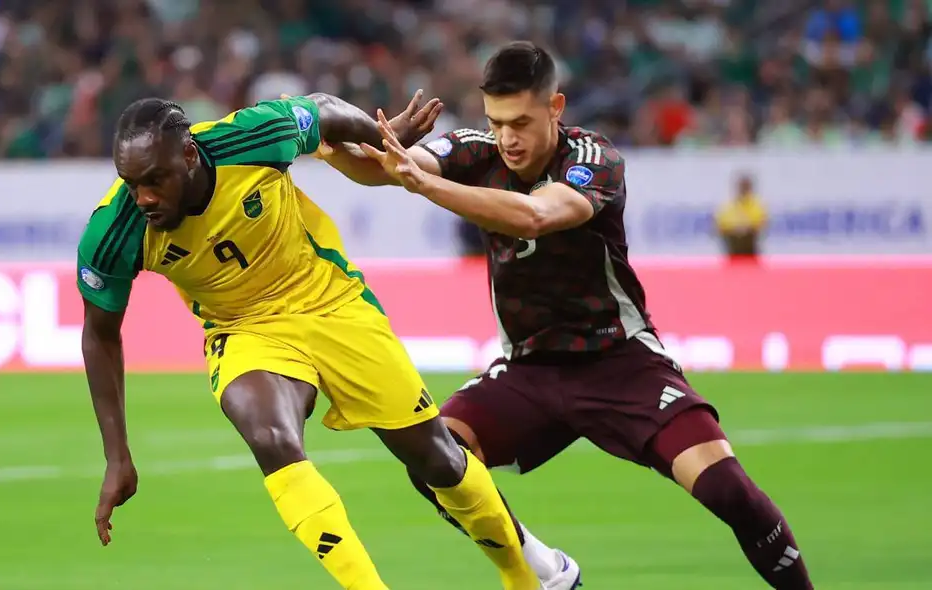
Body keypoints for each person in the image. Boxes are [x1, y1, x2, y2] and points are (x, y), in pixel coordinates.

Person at [316, 41, 815, 590]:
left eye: (522, 122)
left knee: (728, 491)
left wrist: (425, 182)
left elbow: (536, 215)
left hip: (620, 363)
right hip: (529, 371)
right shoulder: (479, 150)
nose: (507, 137)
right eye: (496, 121)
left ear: (555, 108)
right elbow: (379, 170)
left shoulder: (593, 159)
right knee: (435, 457)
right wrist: (330, 135)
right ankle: (546, 569)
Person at [77, 91, 544, 590]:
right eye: (132, 184)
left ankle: (523, 578)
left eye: (155, 180)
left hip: (330, 302)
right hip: (243, 329)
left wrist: (384, 137)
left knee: (437, 458)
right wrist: (117, 456)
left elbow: (322, 110)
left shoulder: (252, 137)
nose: (143, 197)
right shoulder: (114, 232)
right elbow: (99, 336)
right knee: (270, 438)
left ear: (189, 156)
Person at [715, 173, 768, 262]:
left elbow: (760, 222)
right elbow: (721, 224)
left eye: (745, 186)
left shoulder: (756, 205)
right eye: (741, 186)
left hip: (750, 249)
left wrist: (743, 227)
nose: (743, 189)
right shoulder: (729, 206)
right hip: (733, 249)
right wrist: (736, 227)